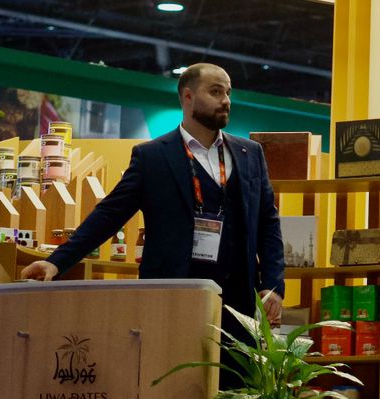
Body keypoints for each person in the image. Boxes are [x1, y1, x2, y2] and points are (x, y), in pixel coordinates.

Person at [19, 63, 286, 355]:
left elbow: (268, 222)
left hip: (239, 305)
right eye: (215, 92)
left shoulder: (250, 154)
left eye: (228, 93)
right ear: (188, 97)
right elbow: (109, 214)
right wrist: (56, 262)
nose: (226, 101)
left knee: (234, 383)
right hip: (171, 300)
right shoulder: (153, 157)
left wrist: (272, 285)